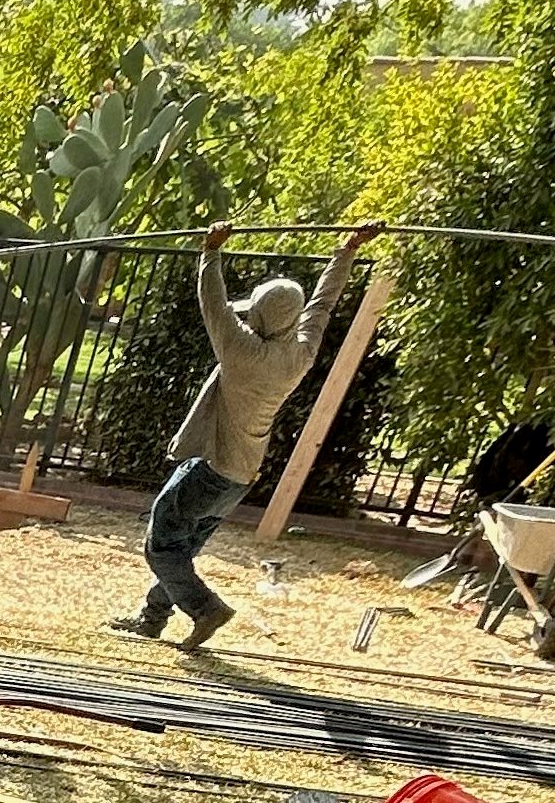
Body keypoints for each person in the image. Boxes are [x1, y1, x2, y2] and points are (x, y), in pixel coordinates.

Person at [122, 220, 379, 643]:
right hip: (240, 475)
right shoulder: (301, 352)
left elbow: (213, 305)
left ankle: (206, 609)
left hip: (211, 467)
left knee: (161, 547)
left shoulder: (242, 351)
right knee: (182, 550)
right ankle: (151, 620)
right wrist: (347, 250)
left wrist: (211, 252)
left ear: (259, 315)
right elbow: (322, 305)